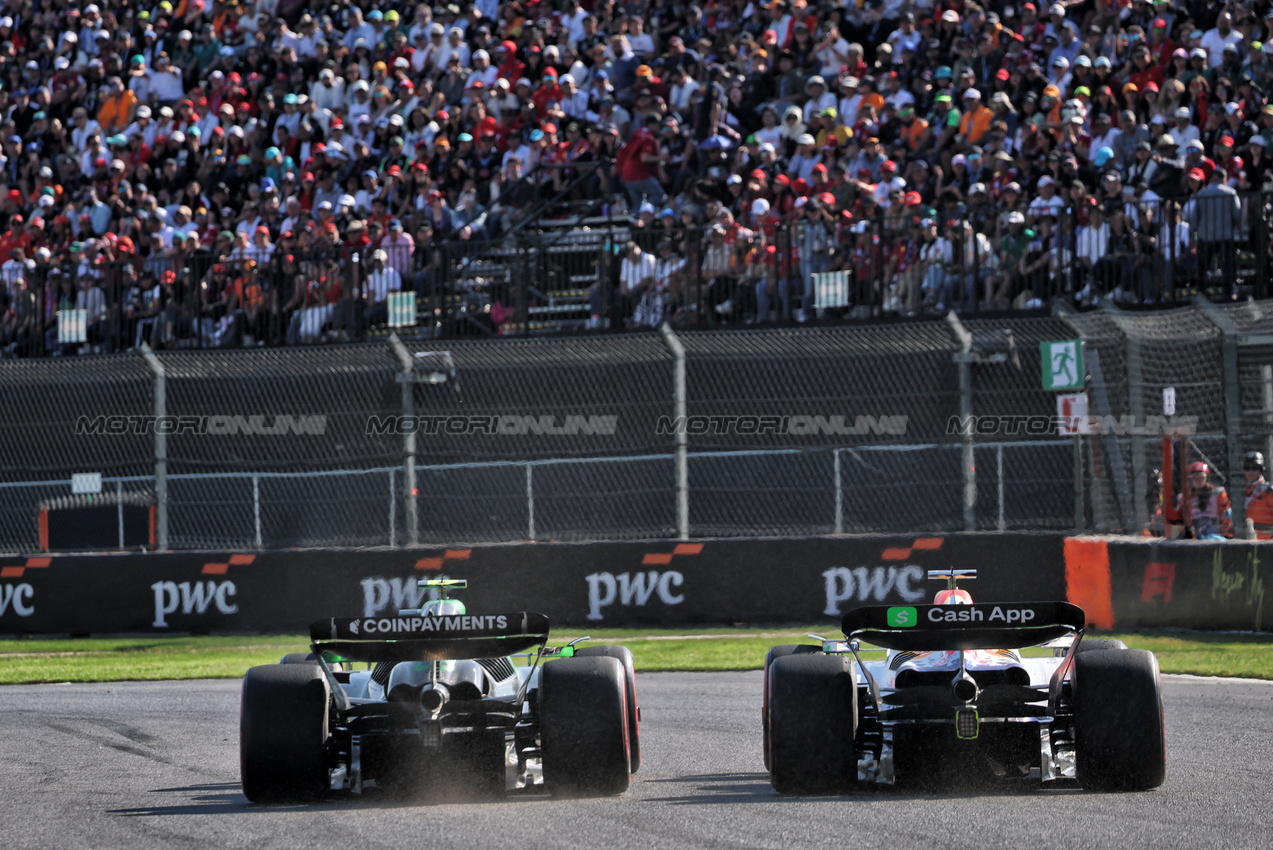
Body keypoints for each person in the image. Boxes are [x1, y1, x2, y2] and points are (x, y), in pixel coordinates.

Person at [1243, 452, 1273, 539]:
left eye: (1255, 468)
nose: (1250, 472)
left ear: (1261, 469)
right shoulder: (1241, 491)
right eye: (1247, 468)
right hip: (1244, 538)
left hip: (1266, 540)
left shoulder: (1268, 490)